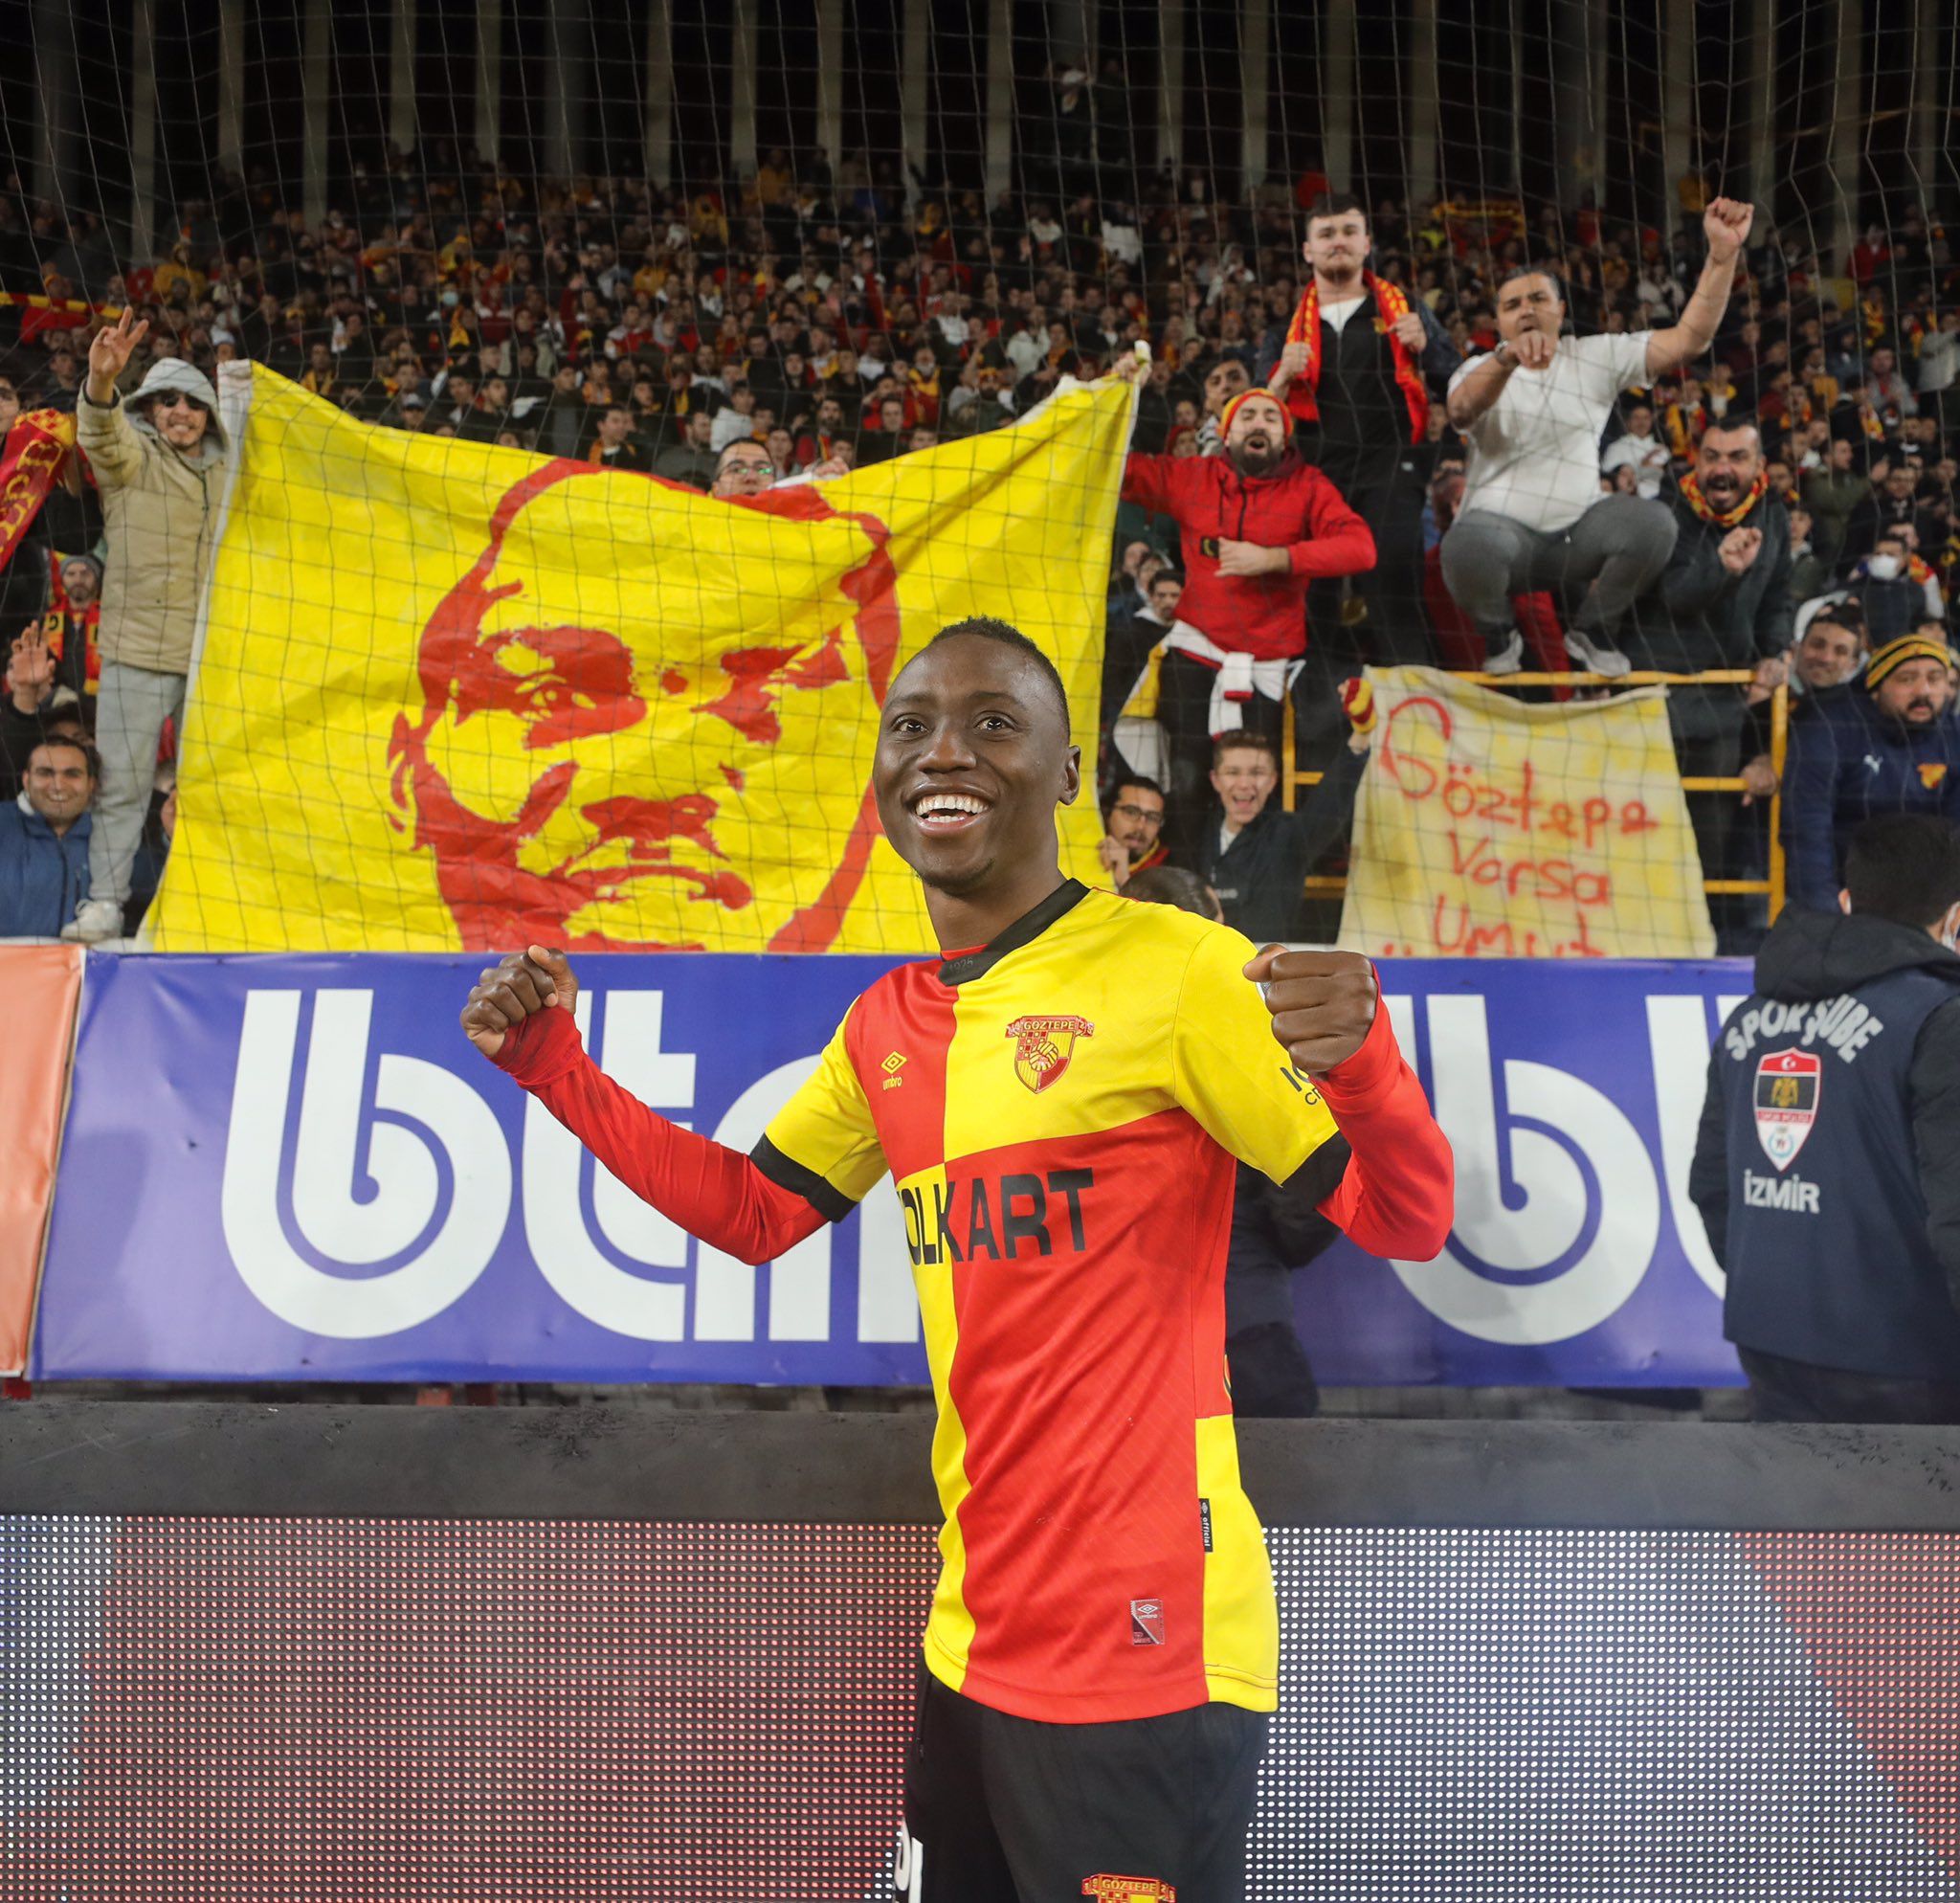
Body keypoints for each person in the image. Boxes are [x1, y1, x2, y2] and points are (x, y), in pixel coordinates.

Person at [460, 618, 1453, 1902]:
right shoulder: (888, 1024)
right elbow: (752, 1212)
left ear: (1070, 773)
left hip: (1144, 1657)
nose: (945, 752)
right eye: (912, 725)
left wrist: (1366, 1068)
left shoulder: (1178, 970)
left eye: (994, 723)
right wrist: (558, 1072)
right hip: (970, 1642)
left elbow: (1403, 1218)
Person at [1689, 814, 1960, 1422]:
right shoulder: (1940, 1019)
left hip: (1769, 1340)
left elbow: (1712, 1184)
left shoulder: (1750, 1016)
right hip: (1912, 1359)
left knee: (1789, 1488)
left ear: (1846, 901)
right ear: (1955, 918)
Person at [1438, 200, 1756, 676]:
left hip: (1578, 538)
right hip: (1501, 541)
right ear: (1499, 321)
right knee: (1462, 545)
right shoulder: (1477, 369)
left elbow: (1689, 340)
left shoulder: (1594, 356)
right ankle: (1499, 632)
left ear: (1561, 310)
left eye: (1538, 299)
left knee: (1655, 523)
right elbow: (1461, 409)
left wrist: (1722, 256)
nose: (1526, 310)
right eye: (1512, 305)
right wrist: (1506, 360)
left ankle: (1593, 629)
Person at [1111, 376, 1375, 838]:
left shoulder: (1309, 486)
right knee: (1187, 778)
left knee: (1252, 787)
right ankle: (1182, 876)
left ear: (1284, 437)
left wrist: (1277, 559)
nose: (1259, 423)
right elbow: (1120, 470)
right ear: (1226, 432)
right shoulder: (1193, 476)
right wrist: (1117, 391)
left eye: (1271, 417)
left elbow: (1361, 548)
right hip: (1195, 654)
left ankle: (1242, 875)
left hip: (1265, 666)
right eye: (1247, 415)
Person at [63, 309, 226, 943]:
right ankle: (106, 903)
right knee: (122, 786)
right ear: (150, 411)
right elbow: (101, 433)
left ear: (210, 414)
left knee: (209, 792)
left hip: (215, 658)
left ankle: (202, 906)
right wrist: (102, 381)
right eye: (168, 402)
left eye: (193, 403)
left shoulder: (232, 472)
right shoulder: (133, 460)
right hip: (136, 651)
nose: (181, 412)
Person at [1261, 192, 1460, 665]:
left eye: (1349, 231)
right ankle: (1314, 700)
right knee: (1314, 599)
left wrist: (1428, 348)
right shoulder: (1283, 332)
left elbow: (1457, 383)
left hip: (1389, 469)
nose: (1338, 241)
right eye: (1326, 233)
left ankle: (1412, 696)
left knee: (1395, 587)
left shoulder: (1405, 311)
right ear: (1307, 249)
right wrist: (1281, 376)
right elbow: (1257, 415)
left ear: (1367, 243)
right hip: (1313, 477)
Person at [1618, 417, 1793, 940]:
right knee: (1638, 835)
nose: (1722, 469)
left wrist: (1774, 653)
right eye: (1712, 456)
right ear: (1695, 460)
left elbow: (1777, 596)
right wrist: (1722, 566)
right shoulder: (1666, 511)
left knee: (1709, 843)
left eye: (1737, 457)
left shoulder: (1773, 514)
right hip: (1651, 702)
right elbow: (1674, 596)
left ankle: (1705, 950)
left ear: (1759, 464)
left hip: (1721, 707)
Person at [1780, 630, 1960, 911]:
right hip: (1845, 888)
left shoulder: (1954, 736)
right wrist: (1825, 911)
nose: (1923, 691)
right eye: (1907, 679)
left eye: (1935, 679)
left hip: (1928, 896)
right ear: (1876, 687)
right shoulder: (1829, 729)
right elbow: (1807, 826)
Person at [1197, 693, 1370, 946]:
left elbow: (1328, 807)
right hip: (1205, 963)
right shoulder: (1197, 833)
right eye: (1233, 772)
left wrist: (1361, 737)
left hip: (1265, 964)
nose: (1244, 783)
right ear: (1215, 780)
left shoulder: (1287, 835)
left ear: (1272, 781)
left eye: (1257, 772)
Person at [0, 734, 96, 936]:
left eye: (72, 774)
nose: (58, 785)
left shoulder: (115, 835)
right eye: (45, 773)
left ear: (91, 783)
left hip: (91, 958)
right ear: (26, 780)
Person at [1096, 772, 1169, 888]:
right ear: (1107, 812)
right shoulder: (1082, 847)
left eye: (1152, 818)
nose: (1140, 826)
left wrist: (1125, 881)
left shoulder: (1168, 875)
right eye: (1131, 812)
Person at [653, 409, 718, 490]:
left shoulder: (717, 460)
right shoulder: (669, 459)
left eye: (710, 426)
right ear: (689, 428)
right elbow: (655, 487)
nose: (709, 430)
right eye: (703, 425)